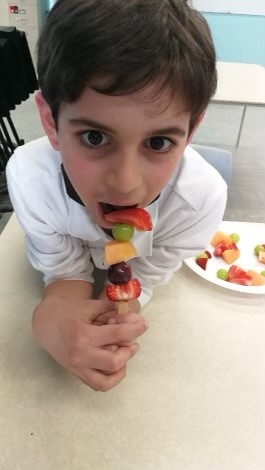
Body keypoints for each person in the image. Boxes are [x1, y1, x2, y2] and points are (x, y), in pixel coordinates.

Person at [6, 0, 227, 392]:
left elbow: (149, 273)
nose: (125, 185)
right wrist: (53, 312)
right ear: (50, 123)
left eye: (158, 142)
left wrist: (122, 313)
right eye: (94, 137)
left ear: (190, 133)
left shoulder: (198, 202)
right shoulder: (31, 179)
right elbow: (63, 270)